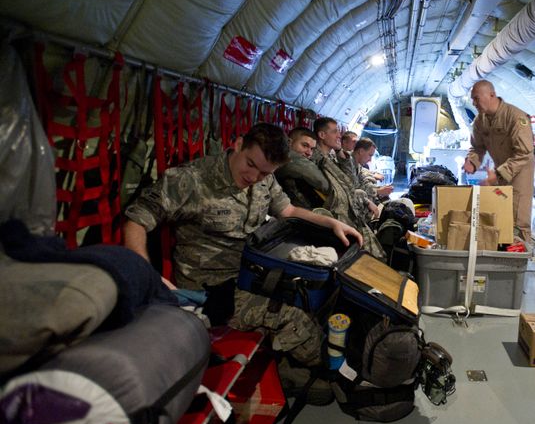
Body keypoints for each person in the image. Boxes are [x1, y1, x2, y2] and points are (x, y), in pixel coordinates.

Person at [123, 123, 362, 366]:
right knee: (297, 318)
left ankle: (294, 365)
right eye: (250, 164)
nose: (253, 177)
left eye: (264, 173)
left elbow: (287, 210)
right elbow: (137, 220)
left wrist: (330, 223)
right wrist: (149, 277)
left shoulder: (263, 179)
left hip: (251, 274)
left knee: (319, 292)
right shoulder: (192, 180)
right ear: (238, 145)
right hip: (212, 289)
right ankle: (325, 371)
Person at [463, 80, 535, 241]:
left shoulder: (516, 117)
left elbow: (524, 153)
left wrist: (498, 174)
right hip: (499, 171)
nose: (474, 103)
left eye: (476, 98)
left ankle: (518, 260)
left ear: (491, 95)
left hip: (520, 172)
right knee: (500, 214)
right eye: (472, 99)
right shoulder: (480, 121)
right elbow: (476, 147)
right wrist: (472, 162)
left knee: (518, 219)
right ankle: (501, 252)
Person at [312, 117, 385, 259]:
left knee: (373, 251)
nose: (339, 135)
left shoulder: (332, 157)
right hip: (335, 212)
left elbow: (350, 180)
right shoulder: (315, 159)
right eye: (334, 132)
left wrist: (340, 152)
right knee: (368, 253)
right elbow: (336, 187)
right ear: (322, 135)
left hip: (348, 209)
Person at [274, 127, 329, 209]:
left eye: (312, 149)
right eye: (305, 145)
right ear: (289, 143)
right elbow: (326, 185)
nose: (309, 153)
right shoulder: (290, 158)